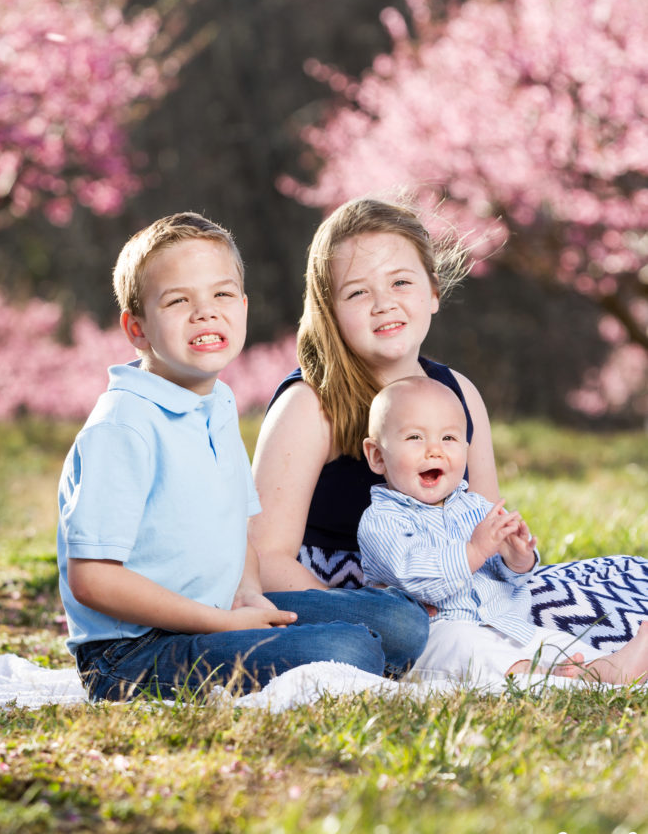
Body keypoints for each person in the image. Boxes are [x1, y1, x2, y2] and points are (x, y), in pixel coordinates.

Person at [57, 212, 428, 703]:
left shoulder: (217, 404)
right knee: (348, 649)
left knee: (401, 621)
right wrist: (222, 623)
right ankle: (316, 653)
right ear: (137, 328)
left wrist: (249, 594)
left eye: (222, 295)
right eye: (178, 300)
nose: (205, 313)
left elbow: (240, 533)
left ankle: (296, 644)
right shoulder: (124, 425)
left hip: (218, 607)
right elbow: (92, 580)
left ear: (244, 306)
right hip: (133, 651)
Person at [251, 195, 648, 651]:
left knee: (629, 577)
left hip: (459, 573)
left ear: (434, 293)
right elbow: (267, 557)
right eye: (358, 292)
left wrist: (514, 555)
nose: (384, 303)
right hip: (359, 586)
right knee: (440, 635)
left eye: (401, 282)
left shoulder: (457, 390)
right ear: (330, 310)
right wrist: (362, 618)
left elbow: (485, 524)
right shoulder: (310, 403)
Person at [358, 376, 648, 686]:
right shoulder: (381, 520)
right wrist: (474, 551)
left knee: (547, 641)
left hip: (504, 624)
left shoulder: (476, 508)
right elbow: (415, 574)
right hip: (433, 635)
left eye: (449, 439)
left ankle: (601, 667)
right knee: (467, 649)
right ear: (377, 456)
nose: (435, 451)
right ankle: (547, 680)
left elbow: (511, 579)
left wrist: (518, 559)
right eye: (415, 437)